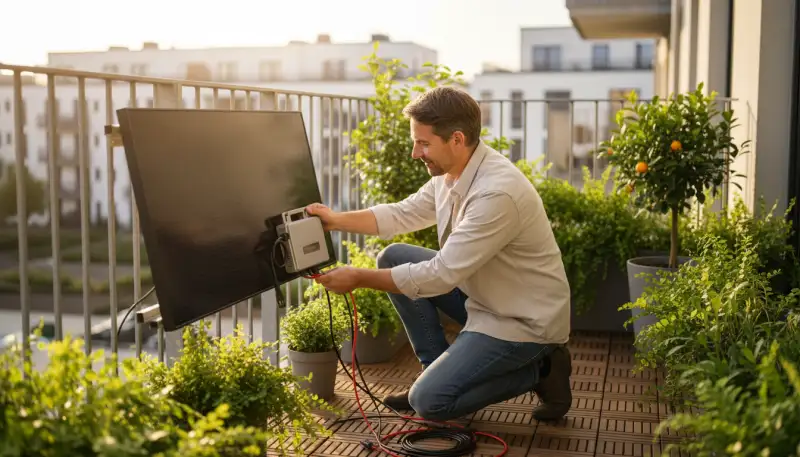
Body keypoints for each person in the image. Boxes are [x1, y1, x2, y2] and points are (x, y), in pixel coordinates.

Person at [306, 86, 573, 423]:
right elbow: (403, 213)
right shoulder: (452, 173)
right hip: (485, 296)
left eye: (424, 143)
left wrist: (358, 278)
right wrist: (335, 221)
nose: (415, 153)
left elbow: (440, 275)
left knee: (431, 403)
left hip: (521, 321)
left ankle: (542, 369)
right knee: (394, 256)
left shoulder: (496, 193)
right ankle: (434, 370)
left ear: (457, 139)